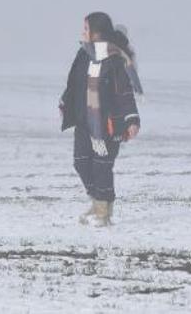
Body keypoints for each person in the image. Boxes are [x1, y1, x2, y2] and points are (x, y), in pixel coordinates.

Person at [59, 12, 143, 226]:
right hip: (83, 122)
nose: (82, 32)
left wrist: (132, 120)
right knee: (80, 163)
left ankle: (103, 213)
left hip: (107, 124)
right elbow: (74, 84)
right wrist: (64, 102)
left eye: (86, 29)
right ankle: (99, 202)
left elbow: (124, 93)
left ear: (96, 32)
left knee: (101, 167)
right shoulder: (83, 54)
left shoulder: (115, 59)